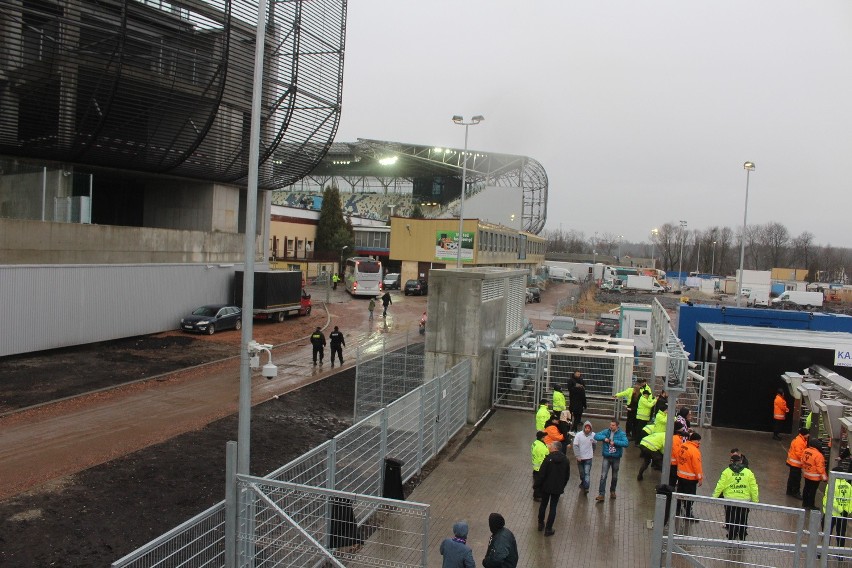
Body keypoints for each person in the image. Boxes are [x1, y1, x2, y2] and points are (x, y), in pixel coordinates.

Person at [712, 452, 759, 540]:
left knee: (731, 519)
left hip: (730, 500)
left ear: (731, 461)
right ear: (741, 461)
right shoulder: (748, 472)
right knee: (742, 520)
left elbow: (720, 485)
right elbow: (754, 487)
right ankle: (742, 537)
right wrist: (755, 500)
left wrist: (714, 497)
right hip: (744, 501)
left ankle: (731, 536)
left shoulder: (726, 472)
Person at [535, 441, 570, 536]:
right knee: (553, 507)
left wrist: (537, 486)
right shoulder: (566, 460)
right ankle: (548, 529)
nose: (549, 447)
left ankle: (540, 523)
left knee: (543, 505)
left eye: (551, 446)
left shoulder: (548, 459)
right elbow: (567, 476)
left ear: (555, 448)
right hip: (557, 488)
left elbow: (542, 474)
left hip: (546, 487)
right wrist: (562, 485)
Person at [593, 419, 630, 502]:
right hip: (606, 456)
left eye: (613, 425)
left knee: (614, 476)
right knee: (603, 476)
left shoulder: (621, 434)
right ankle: (601, 494)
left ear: (617, 426)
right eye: (610, 425)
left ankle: (612, 491)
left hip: (616, 458)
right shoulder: (606, 432)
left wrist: (615, 442)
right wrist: (604, 438)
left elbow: (626, 443)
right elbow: (596, 436)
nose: (611, 426)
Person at [676, 431, 704, 521]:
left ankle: (677, 510)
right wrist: (700, 478)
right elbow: (697, 466)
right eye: (698, 440)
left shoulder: (682, 446)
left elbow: (677, 457)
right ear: (694, 440)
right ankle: (688, 515)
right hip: (690, 479)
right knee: (690, 497)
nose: (699, 442)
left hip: (680, 475)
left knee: (680, 494)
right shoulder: (695, 451)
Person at [822, 466, 852, 548]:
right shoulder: (849, 486)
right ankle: (840, 554)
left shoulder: (831, 484)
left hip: (831, 514)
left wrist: (839, 510)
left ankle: (823, 552)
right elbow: (850, 500)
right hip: (843, 516)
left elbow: (829, 499)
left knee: (826, 533)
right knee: (841, 535)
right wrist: (846, 511)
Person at [801, 437, 828, 509]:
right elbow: (820, 468)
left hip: (807, 474)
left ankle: (805, 503)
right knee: (812, 491)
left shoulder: (805, 450)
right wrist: (824, 478)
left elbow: (802, 460)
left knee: (806, 488)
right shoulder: (819, 455)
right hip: (815, 477)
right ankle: (810, 505)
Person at [572, 420, 596, 494]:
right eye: (586, 428)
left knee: (586, 473)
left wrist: (592, 452)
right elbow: (575, 446)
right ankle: (583, 482)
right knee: (582, 473)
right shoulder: (578, 435)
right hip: (580, 458)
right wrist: (578, 455)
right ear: (584, 428)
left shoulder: (593, 435)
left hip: (588, 458)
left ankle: (586, 487)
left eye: (589, 428)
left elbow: (594, 445)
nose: (587, 429)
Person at [786, 427, 810, 499]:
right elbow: (799, 453)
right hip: (796, 464)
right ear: (804, 434)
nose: (808, 435)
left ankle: (789, 491)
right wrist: (805, 461)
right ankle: (795, 492)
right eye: (807, 434)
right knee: (796, 479)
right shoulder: (800, 442)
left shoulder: (800, 440)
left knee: (791, 478)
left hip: (793, 463)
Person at [531, 431, 549, 501]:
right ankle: (537, 496)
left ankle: (537, 495)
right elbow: (542, 459)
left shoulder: (535, 443)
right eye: (544, 437)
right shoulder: (540, 447)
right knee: (539, 483)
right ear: (542, 438)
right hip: (540, 468)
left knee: (537, 481)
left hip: (536, 467)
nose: (545, 438)